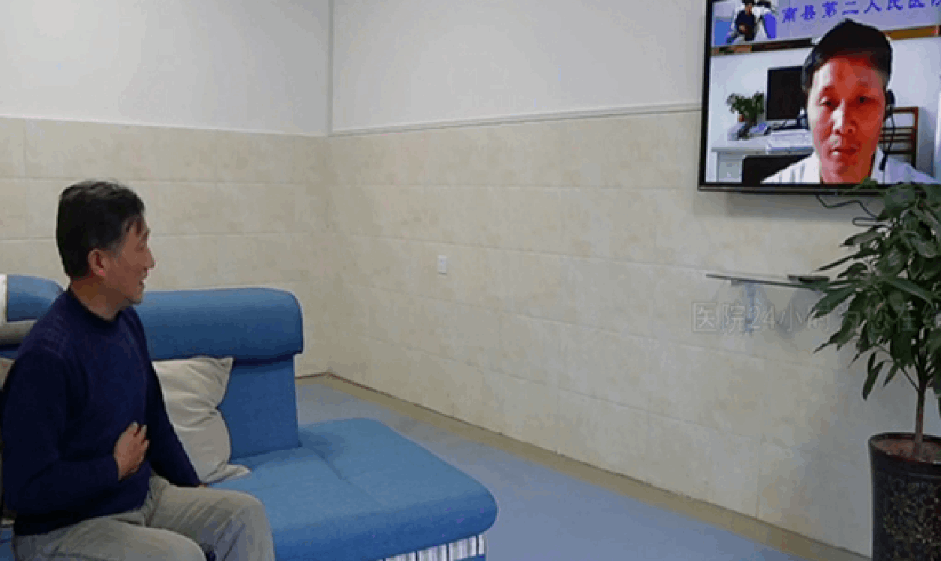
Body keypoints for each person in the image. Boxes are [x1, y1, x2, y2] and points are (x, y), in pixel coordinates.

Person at [0, 180, 276, 561]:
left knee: (243, 516)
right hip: (65, 529)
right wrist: (112, 468)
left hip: (142, 497)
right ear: (99, 262)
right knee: (180, 556)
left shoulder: (126, 322)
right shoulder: (47, 358)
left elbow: (156, 422)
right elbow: (24, 489)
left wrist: (193, 487)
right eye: (141, 246)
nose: (150, 262)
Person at [763, 19, 939, 185]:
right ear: (806, 109)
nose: (843, 125)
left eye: (862, 100)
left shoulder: (926, 200)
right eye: (828, 102)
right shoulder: (769, 198)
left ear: (886, 109)